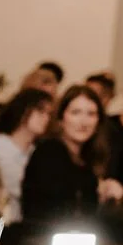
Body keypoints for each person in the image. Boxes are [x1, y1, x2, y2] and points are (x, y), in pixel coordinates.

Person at [20, 84, 109, 225]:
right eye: (76, 112)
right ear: (61, 118)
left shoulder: (88, 157)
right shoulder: (48, 152)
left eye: (91, 114)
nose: (84, 121)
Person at [0, 88, 52, 222]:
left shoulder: (37, 151)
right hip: (5, 221)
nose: (46, 118)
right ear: (24, 110)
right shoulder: (0, 146)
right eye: (40, 111)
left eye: (49, 113)